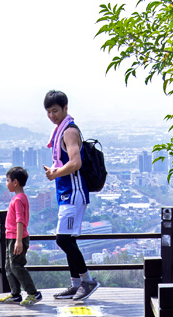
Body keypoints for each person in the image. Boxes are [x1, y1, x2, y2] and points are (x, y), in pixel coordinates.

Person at [42, 90, 100, 301]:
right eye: (48, 112)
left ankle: (87, 280)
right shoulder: (61, 131)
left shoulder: (69, 132)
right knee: (67, 239)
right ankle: (76, 284)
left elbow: (75, 163)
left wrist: (55, 173)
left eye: (55, 110)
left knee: (63, 240)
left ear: (66, 108)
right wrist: (55, 173)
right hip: (66, 192)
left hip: (73, 193)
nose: (52, 116)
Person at [0, 166, 42, 306]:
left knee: (16, 266)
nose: (6, 183)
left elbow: (20, 220)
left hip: (17, 238)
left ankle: (33, 293)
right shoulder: (20, 197)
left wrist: (18, 241)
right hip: (12, 237)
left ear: (15, 182)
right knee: (9, 267)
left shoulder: (18, 199)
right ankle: (15, 294)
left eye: (7, 180)